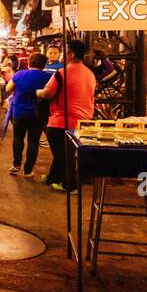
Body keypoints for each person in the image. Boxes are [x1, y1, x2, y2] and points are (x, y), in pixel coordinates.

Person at [36, 39, 96, 193]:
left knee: (62, 154)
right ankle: (53, 178)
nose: (62, 55)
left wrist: (37, 92)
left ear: (71, 54)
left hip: (61, 120)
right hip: (83, 121)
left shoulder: (62, 73)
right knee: (63, 151)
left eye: (64, 52)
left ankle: (70, 185)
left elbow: (48, 93)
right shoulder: (90, 74)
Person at [5, 52, 51, 176]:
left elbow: (8, 89)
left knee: (18, 138)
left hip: (19, 112)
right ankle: (28, 170)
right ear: (44, 64)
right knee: (33, 141)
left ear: (29, 62)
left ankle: (16, 165)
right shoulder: (48, 77)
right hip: (38, 114)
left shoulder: (20, 74)